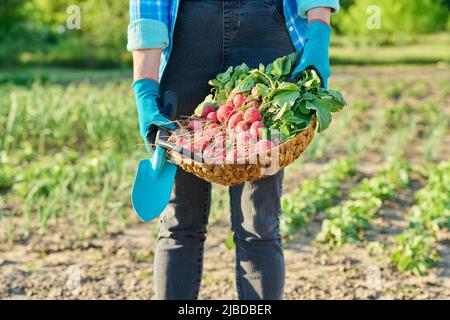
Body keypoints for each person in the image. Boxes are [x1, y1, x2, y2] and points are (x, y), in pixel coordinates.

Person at [128, 0, 339, 300]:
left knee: (259, 222)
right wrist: (145, 87)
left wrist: (319, 33)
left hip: (264, 29)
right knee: (179, 221)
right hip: (186, 36)